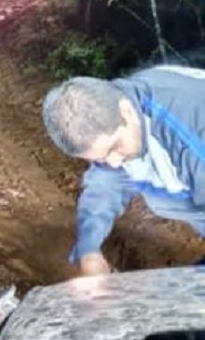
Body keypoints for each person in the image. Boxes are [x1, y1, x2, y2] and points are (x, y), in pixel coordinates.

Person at [40, 66, 205, 276]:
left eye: (115, 147)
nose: (115, 162)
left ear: (126, 111)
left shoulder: (192, 135)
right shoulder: (113, 107)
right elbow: (105, 183)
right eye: (100, 158)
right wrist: (89, 250)